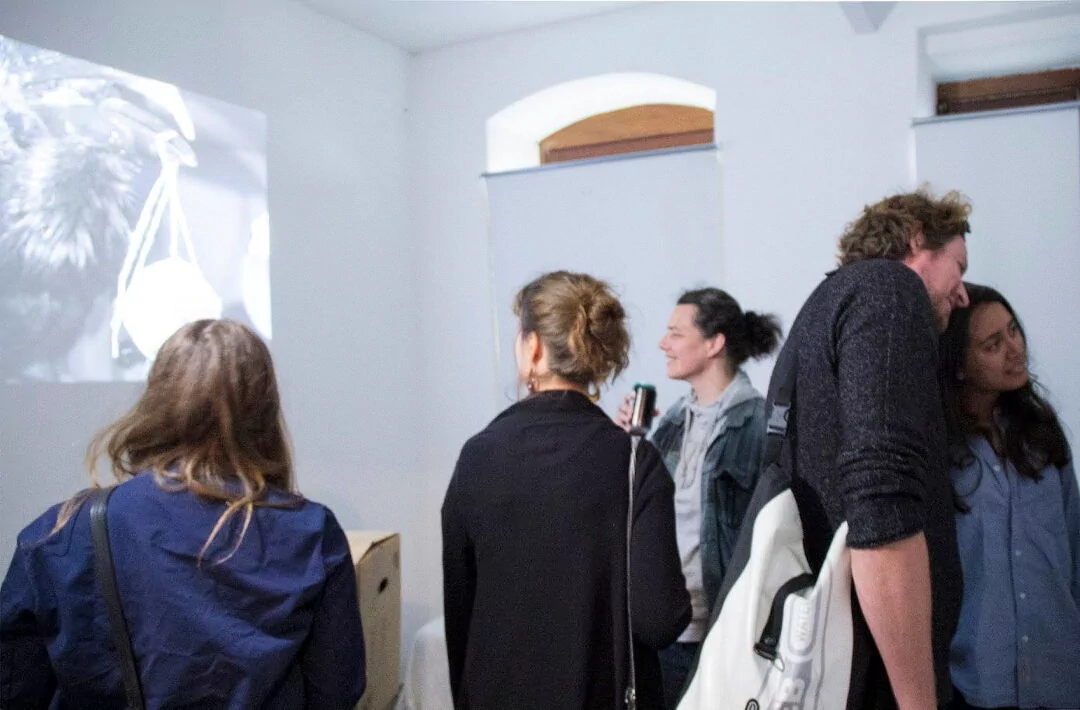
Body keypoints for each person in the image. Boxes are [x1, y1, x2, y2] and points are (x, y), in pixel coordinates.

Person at [0, 319, 366, 709]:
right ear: (264, 413)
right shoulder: (311, 534)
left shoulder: (62, 534)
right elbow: (337, 691)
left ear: (157, 401)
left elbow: (13, 689)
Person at [442, 270, 690, 710]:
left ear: (534, 349)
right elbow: (659, 620)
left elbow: (461, 616)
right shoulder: (636, 464)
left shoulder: (478, 457)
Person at [765, 189, 971, 709]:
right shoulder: (890, 290)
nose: (963, 294)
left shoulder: (825, 304)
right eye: (959, 267)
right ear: (917, 240)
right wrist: (918, 701)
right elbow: (881, 507)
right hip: (873, 675)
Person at [615, 288, 782, 708]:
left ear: (714, 343)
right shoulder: (671, 421)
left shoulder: (758, 424)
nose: (663, 343)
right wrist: (628, 445)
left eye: (676, 333)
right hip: (668, 628)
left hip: (724, 631)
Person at [938, 284, 1079, 709]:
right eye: (993, 344)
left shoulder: (1041, 431)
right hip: (976, 682)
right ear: (959, 367)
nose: (1015, 349)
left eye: (1014, 331)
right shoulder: (940, 448)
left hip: (1060, 676)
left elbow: (1074, 544)